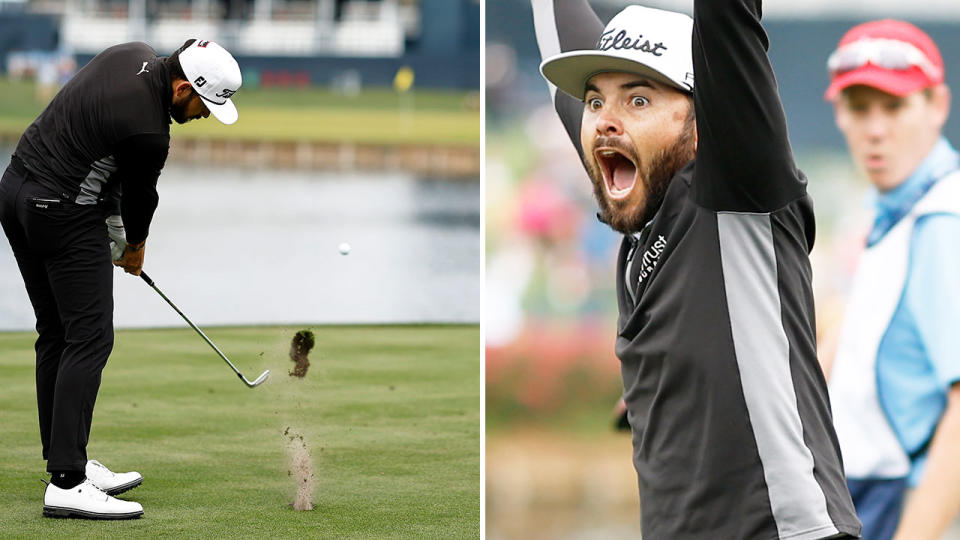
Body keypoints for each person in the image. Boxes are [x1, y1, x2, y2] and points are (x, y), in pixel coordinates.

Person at [531, 0, 862, 537]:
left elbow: (727, 19)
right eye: (594, 101)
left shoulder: (736, 190)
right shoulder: (641, 206)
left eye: (639, 99)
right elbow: (553, 16)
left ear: (706, 121)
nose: (605, 120)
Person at [0, 38, 241, 519]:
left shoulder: (130, 53)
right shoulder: (150, 131)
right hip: (62, 211)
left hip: (14, 193)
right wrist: (133, 247)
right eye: (204, 105)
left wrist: (112, 230)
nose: (204, 115)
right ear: (181, 87)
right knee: (89, 339)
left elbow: (98, 148)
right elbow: (139, 199)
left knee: (57, 334)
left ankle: (66, 461)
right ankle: (67, 483)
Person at [824, 20, 960, 540]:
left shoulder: (942, 221)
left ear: (937, 106)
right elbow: (852, 331)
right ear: (839, 114)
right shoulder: (896, 210)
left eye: (895, 106)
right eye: (860, 108)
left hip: (909, 502)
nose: (875, 129)